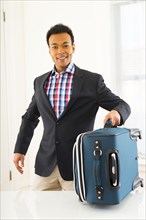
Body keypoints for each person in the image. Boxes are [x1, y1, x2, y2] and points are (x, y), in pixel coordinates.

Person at [13, 23, 131, 191]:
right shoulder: (40, 82)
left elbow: (122, 104)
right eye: (55, 46)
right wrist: (20, 150)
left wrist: (117, 112)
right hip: (46, 165)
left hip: (79, 164)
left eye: (65, 45)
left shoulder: (92, 81)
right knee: (41, 212)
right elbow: (30, 117)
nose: (60, 51)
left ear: (73, 48)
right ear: (49, 51)